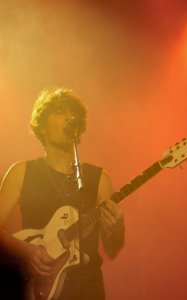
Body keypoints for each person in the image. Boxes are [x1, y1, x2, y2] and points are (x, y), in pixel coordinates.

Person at [0, 88, 125, 300]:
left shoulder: (99, 178)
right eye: (60, 112)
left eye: (73, 114)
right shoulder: (21, 172)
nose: (69, 118)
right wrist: (25, 251)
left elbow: (112, 249)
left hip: (88, 289)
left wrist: (118, 229)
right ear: (43, 127)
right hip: (38, 286)